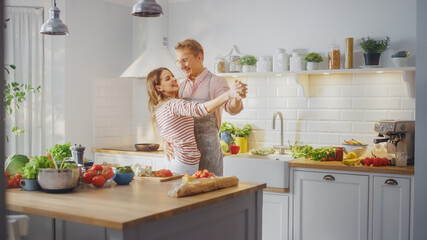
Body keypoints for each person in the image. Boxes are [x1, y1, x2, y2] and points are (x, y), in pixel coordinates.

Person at [167, 39, 247, 176]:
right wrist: (164, 141)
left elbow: (232, 108)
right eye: (178, 61)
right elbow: (167, 116)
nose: (181, 66)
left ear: (199, 57)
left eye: (185, 60)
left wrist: (237, 98)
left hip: (209, 155)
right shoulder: (179, 86)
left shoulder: (216, 82)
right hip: (184, 158)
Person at [146, 67, 243, 175]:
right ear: (159, 87)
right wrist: (228, 94)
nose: (174, 79)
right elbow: (200, 109)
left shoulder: (161, 107)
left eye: (173, 76)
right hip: (183, 161)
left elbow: (168, 132)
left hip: (175, 159)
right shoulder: (173, 104)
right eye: (168, 78)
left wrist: (164, 142)